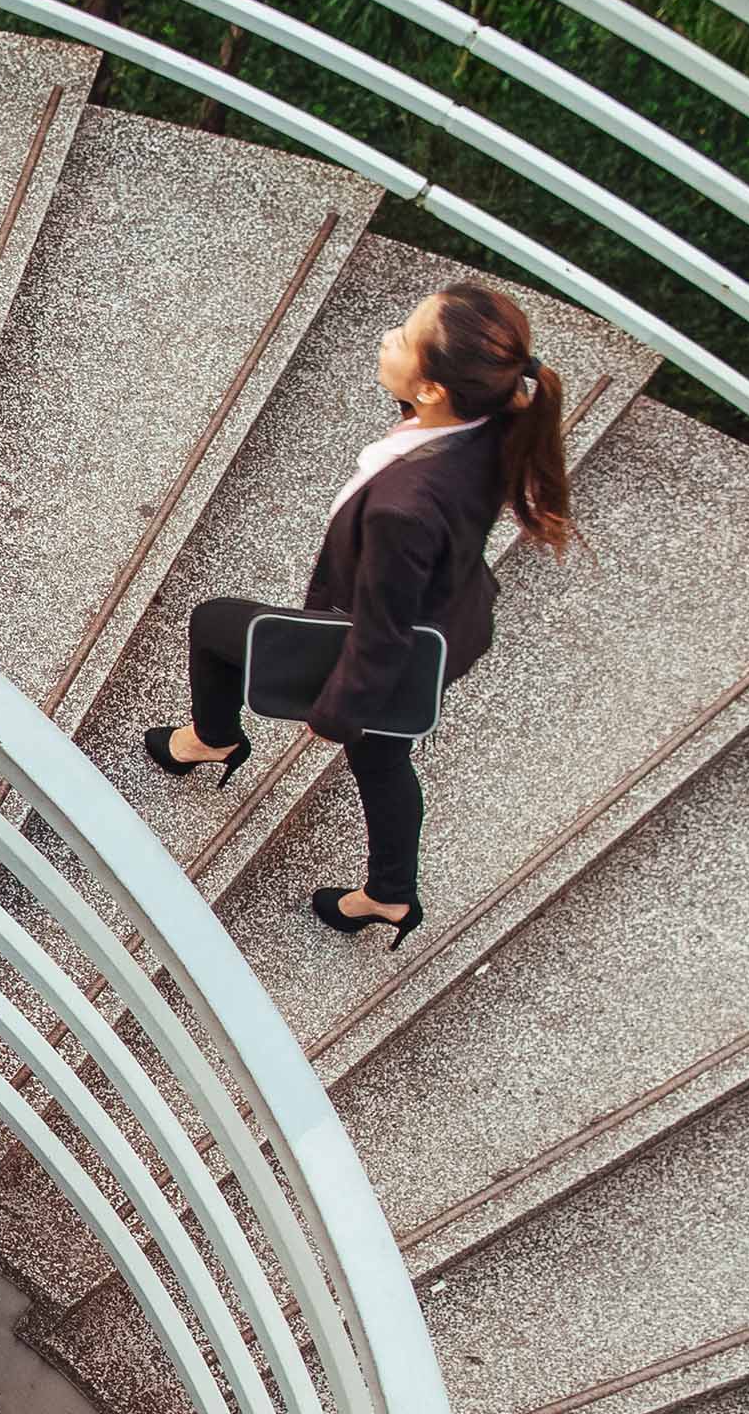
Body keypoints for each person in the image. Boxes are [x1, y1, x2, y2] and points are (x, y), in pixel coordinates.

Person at [143, 277, 576, 949]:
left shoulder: (406, 505)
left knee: (212, 625)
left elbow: (378, 633)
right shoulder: (491, 423)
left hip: (394, 645)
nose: (386, 338)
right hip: (449, 622)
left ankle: (213, 739)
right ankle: (391, 897)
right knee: (383, 760)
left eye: (403, 337)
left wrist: (335, 714)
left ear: (434, 390)